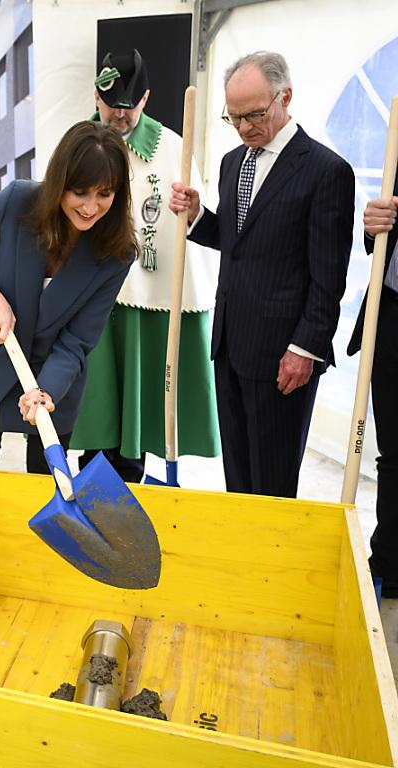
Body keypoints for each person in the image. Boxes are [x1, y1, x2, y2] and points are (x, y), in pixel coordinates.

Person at [170, 51, 354, 498]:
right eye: (233, 118)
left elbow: (329, 278)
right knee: (238, 481)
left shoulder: (326, 171)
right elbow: (239, 241)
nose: (244, 127)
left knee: (272, 484)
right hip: (230, 345)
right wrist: (198, 217)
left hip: (283, 356)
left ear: (285, 97)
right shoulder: (233, 162)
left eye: (254, 114)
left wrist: (305, 349)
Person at [0, 121, 137, 478]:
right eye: (80, 192)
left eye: (104, 193)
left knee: (48, 477)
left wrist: (46, 390)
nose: (90, 207)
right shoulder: (17, 201)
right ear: (61, 180)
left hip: (54, 377)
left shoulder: (118, 253)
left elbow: (78, 339)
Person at [73, 50, 220, 482]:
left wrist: (191, 209)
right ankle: (92, 488)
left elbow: (197, 225)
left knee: (136, 413)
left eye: (130, 106)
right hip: (93, 299)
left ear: (146, 99)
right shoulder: (78, 145)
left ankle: (128, 485)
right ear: (96, 97)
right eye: (111, 105)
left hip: (147, 299)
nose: (120, 115)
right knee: (96, 409)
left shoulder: (171, 147)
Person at [348, 165, 398, 599]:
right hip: (392, 315)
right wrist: (374, 226)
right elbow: (382, 241)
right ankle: (387, 563)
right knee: (393, 452)